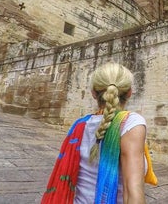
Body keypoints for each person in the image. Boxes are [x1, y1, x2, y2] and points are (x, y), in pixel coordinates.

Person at [42, 62, 157, 204]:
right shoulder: (131, 123)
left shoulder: (79, 125)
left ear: (93, 93)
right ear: (129, 92)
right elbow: (132, 190)